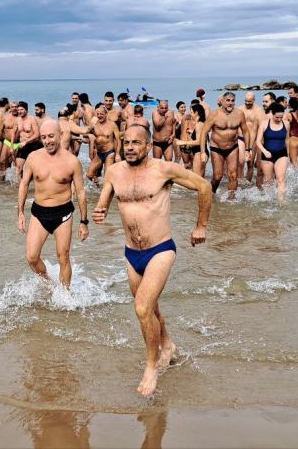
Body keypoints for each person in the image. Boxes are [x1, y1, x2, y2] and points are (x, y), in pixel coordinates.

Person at [93, 125, 211, 396]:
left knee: (142, 308)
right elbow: (104, 202)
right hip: (131, 253)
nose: (130, 147)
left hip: (160, 249)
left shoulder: (163, 169)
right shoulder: (114, 171)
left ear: (148, 145)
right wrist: (99, 213)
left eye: (137, 143)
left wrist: (201, 225)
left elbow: (203, 186)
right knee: (151, 309)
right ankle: (167, 345)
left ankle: (151, 367)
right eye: (126, 143)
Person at [17, 120, 89, 287]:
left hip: (63, 213)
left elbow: (80, 193)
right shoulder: (33, 157)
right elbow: (24, 184)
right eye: (43, 137)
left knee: (63, 256)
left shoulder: (72, 162)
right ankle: (49, 284)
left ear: (61, 135)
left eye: (51, 136)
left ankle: (65, 295)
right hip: (39, 213)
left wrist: (84, 222)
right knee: (32, 257)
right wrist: (20, 213)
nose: (47, 141)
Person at [200, 92, 245, 198]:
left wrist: (248, 149)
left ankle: (231, 200)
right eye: (228, 100)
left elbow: (246, 131)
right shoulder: (214, 114)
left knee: (233, 175)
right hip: (216, 148)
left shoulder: (239, 113)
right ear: (222, 101)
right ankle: (211, 194)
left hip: (233, 147)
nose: (230, 103)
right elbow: (204, 132)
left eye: (232, 101)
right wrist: (203, 152)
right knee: (217, 176)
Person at [255, 102, 291, 200]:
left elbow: (287, 140)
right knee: (268, 181)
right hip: (267, 155)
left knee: (280, 179)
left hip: (281, 154)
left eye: (281, 117)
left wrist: (287, 155)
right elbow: (257, 141)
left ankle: (281, 202)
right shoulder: (264, 124)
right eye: (277, 117)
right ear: (272, 114)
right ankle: (269, 201)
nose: (279, 119)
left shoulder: (286, 124)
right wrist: (264, 151)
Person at [86, 105, 120, 186]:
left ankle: (110, 192)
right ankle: (98, 187)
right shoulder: (94, 125)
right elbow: (85, 132)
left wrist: (118, 154)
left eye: (101, 114)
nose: (99, 115)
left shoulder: (112, 125)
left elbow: (118, 140)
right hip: (99, 153)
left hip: (109, 153)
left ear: (106, 114)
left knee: (107, 177)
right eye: (98, 114)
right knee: (89, 175)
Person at [176, 103, 207, 177]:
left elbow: (199, 141)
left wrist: (183, 142)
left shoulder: (199, 124)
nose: (190, 114)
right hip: (199, 150)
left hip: (199, 151)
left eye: (192, 112)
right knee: (200, 177)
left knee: (197, 178)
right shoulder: (200, 122)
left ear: (196, 113)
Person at [239, 92, 264, 184]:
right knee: (240, 162)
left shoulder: (259, 110)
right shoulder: (239, 109)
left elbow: (262, 126)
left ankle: (248, 183)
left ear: (254, 100)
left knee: (250, 163)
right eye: (246, 101)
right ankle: (240, 181)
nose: (247, 103)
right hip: (241, 138)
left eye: (249, 101)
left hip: (253, 140)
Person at [15, 101, 41, 180]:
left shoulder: (31, 119)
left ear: (26, 110)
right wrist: (13, 145)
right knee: (19, 167)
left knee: (34, 168)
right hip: (22, 145)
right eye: (18, 110)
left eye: (22, 109)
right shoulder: (18, 119)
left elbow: (37, 134)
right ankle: (17, 187)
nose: (19, 111)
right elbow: (15, 132)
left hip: (33, 145)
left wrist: (26, 142)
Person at [0, 102, 20, 181]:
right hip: (7, 142)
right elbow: (0, 131)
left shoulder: (21, 118)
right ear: (10, 107)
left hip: (18, 143)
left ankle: (16, 184)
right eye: (12, 107)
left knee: (17, 165)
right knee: (2, 161)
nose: (14, 108)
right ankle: (1, 181)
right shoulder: (5, 117)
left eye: (16, 107)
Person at [286, 97, 298, 167]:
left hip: (293, 139)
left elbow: (284, 127)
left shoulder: (288, 115)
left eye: (288, 102)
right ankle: (297, 176)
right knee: (294, 160)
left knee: (293, 161)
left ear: (289, 105)